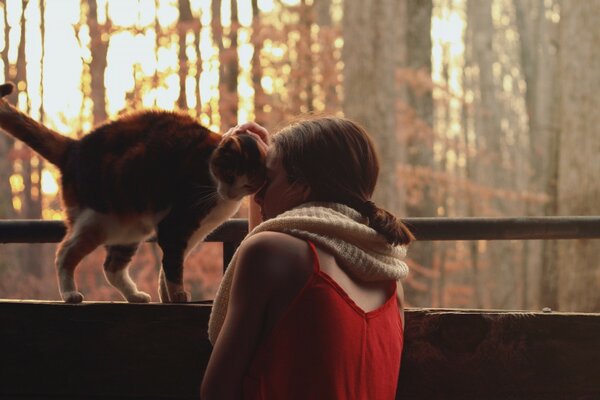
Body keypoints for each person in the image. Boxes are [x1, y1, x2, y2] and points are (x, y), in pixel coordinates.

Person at [201, 116, 414, 400]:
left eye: (267, 179)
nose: (258, 194)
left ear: (302, 187)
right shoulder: (390, 282)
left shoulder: (271, 254)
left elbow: (216, 392)